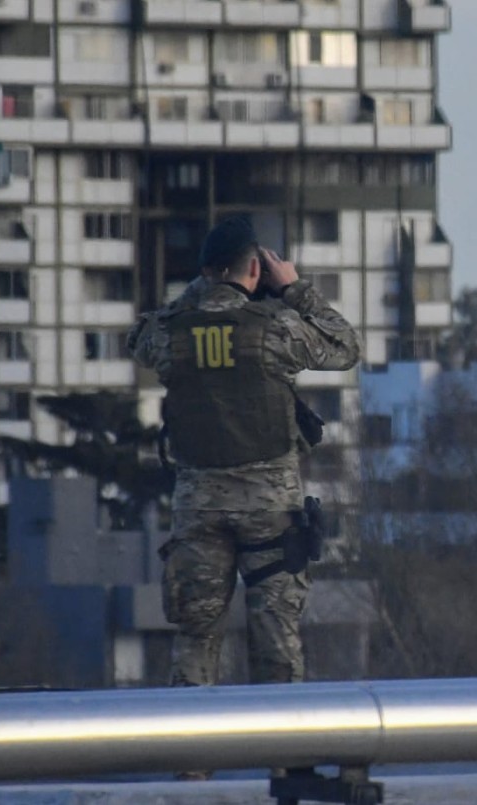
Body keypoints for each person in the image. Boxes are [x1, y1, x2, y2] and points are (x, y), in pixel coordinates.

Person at [127, 217, 361, 701]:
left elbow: (139, 338)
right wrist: (295, 289)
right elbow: (345, 347)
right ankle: (282, 765)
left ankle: (192, 768)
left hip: (199, 504)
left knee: (195, 637)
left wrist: (204, 289)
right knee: (276, 638)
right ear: (256, 268)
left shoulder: (171, 334)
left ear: (207, 271)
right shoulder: (276, 328)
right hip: (269, 505)